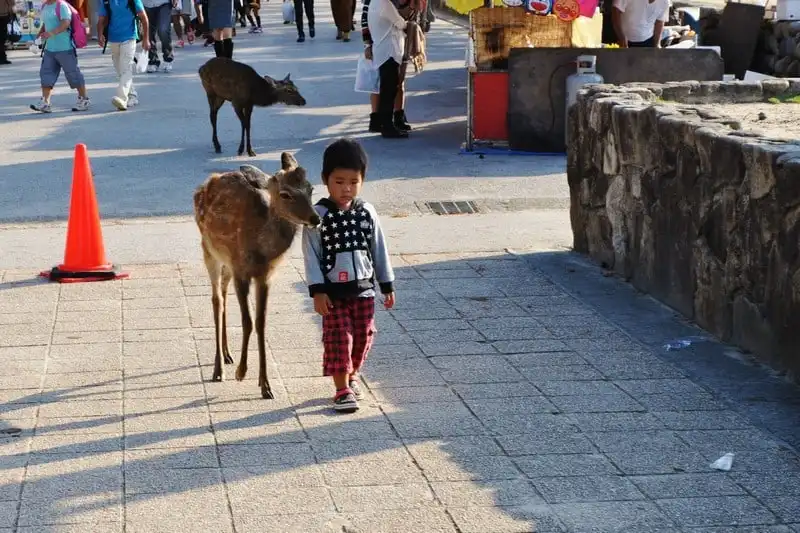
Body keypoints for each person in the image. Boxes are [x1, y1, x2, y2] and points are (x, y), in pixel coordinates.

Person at [302, 138, 396, 413]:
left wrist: (386, 284)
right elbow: (311, 255)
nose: (346, 188)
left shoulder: (367, 212)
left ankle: (353, 374)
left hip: (364, 289)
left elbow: (379, 248)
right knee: (338, 337)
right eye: (339, 181)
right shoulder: (318, 216)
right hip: (332, 293)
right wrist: (317, 290)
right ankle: (341, 388)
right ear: (325, 179)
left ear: (362, 181)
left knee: (364, 335)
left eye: (353, 182)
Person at [30, 0, 90, 113]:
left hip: (65, 48)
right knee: (46, 74)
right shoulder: (45, 6)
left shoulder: (61, 5)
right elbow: (45, 25)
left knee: (73, 74)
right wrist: (39, 37)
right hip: (50, 49)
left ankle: (84, 99)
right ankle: (45, 103)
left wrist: (51, 33)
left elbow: (66, 22)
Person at [368, 0, 413, 138]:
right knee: (389, 91)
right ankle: (387, 126)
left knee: (387, 89)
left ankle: (385, 123)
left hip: (384, 51)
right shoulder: (384, 3)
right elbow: (400, 23)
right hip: (388, 52)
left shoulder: (375, 3)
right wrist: (409, 23)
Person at [97, 0, 151, 110]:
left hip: (129, 37)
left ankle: (121, 98)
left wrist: (146, 39)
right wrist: (100, 35)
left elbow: (144, 18)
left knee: (125, 68)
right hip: (113, 38)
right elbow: (101, 19)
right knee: (120, 70)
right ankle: (132, 94)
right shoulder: (106, 1)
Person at [142, 0, 173, 71]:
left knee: (163, 29)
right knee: (149, 32)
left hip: (164, 3)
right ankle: (153, 60)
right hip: (146, 4)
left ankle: (168, 58)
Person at [1, 0, 14, 65]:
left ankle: (2, 57)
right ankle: (2, 58)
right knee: (2, 38)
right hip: (3, 16)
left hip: (3, 16)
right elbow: (11, 3)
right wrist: (11, 13)